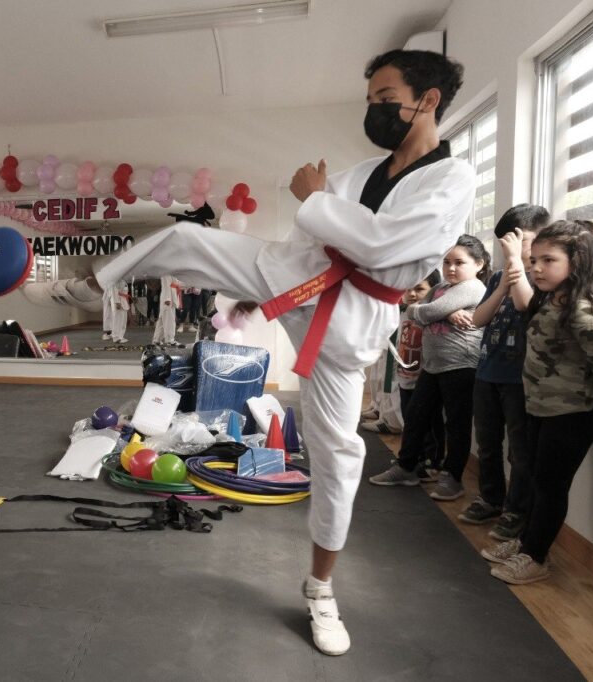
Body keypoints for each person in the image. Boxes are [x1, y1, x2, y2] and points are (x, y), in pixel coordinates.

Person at [92, 50, 474, 655]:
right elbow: (313, 239)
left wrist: (315, 199)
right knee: (187, 236)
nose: (373, 109)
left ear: (426, 100)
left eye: (383, 97)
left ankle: (320, 589)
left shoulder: (452, 178)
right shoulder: (356, 176)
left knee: (338, 458)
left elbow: (382, 245)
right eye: (370, 98)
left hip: (348, 322)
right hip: (295, 275)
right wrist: (256, 288)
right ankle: (91, 283)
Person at [482, 221, 593, 584]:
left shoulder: (582, 310)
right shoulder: (552, 298)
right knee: (534, 478)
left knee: (550, 486)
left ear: (577, 261)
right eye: (534, 260)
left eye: (547, 260)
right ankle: (525, 541)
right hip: (539, 406)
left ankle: (536, 556)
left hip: (571, 413)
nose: (536, 267)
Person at [369, 235, 489, 499]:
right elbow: (414, 310)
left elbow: (423, 312)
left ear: (479, 264)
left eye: (459, 262)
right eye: (447, 262)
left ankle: (452, 478)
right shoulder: (441, 288)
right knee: (416, 416)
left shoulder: (473, 288)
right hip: (433, 366)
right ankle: (407, 467)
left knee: (456, 425)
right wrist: (443, 312)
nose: (451, 268)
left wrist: (433, 310)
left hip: (461, 366)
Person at [459, 205, 550, 535]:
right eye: (505, 242)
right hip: (487, 372)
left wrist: (516, 264)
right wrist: (500, 287)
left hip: (519, 381)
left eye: (519, 240)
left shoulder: (542, 277)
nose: (511, 248)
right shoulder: (499, 276)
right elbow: (478, 319)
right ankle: (490, 498)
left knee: (520, 452)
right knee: (487, 443)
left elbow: (526, 306)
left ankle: (516, 510)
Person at [393, 271, 445, 478]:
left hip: (425, 377)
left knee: (431, 423)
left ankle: (433, 462)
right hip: (405, 375)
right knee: (410, 419)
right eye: (408, 289)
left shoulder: (431, 314)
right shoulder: (403, 312)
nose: (412, 294)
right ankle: (415, 458)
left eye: (419, 288)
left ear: (433, 289)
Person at [153, 274, 181, 346]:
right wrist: (167, 299)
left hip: (171, 297)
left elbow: (176, 283)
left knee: (162, 321)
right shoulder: (166, 274)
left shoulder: (171, 273)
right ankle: (170, 340)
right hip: (168, 299)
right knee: (169, 320)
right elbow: (166, 286)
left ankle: (157, 339)